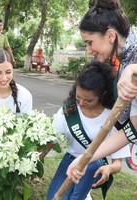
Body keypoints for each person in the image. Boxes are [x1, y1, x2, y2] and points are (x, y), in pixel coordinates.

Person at [65, 0, 137, 183]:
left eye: (90, 43)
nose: (89, 51)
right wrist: (84, 159)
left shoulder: (129, 64)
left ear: (110, 35)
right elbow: (134, 128)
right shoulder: (123, 63)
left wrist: (133, 70)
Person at [47, 61, 130, 200]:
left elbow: (118, 163)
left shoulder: (111, 118)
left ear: (102, 94)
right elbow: (49, 142)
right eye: (78, 97)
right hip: (70, 161)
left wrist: (108, 169)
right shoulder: (69, 111)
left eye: (88, 100)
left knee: (87, 175)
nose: (81, 103)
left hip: (94, 164)